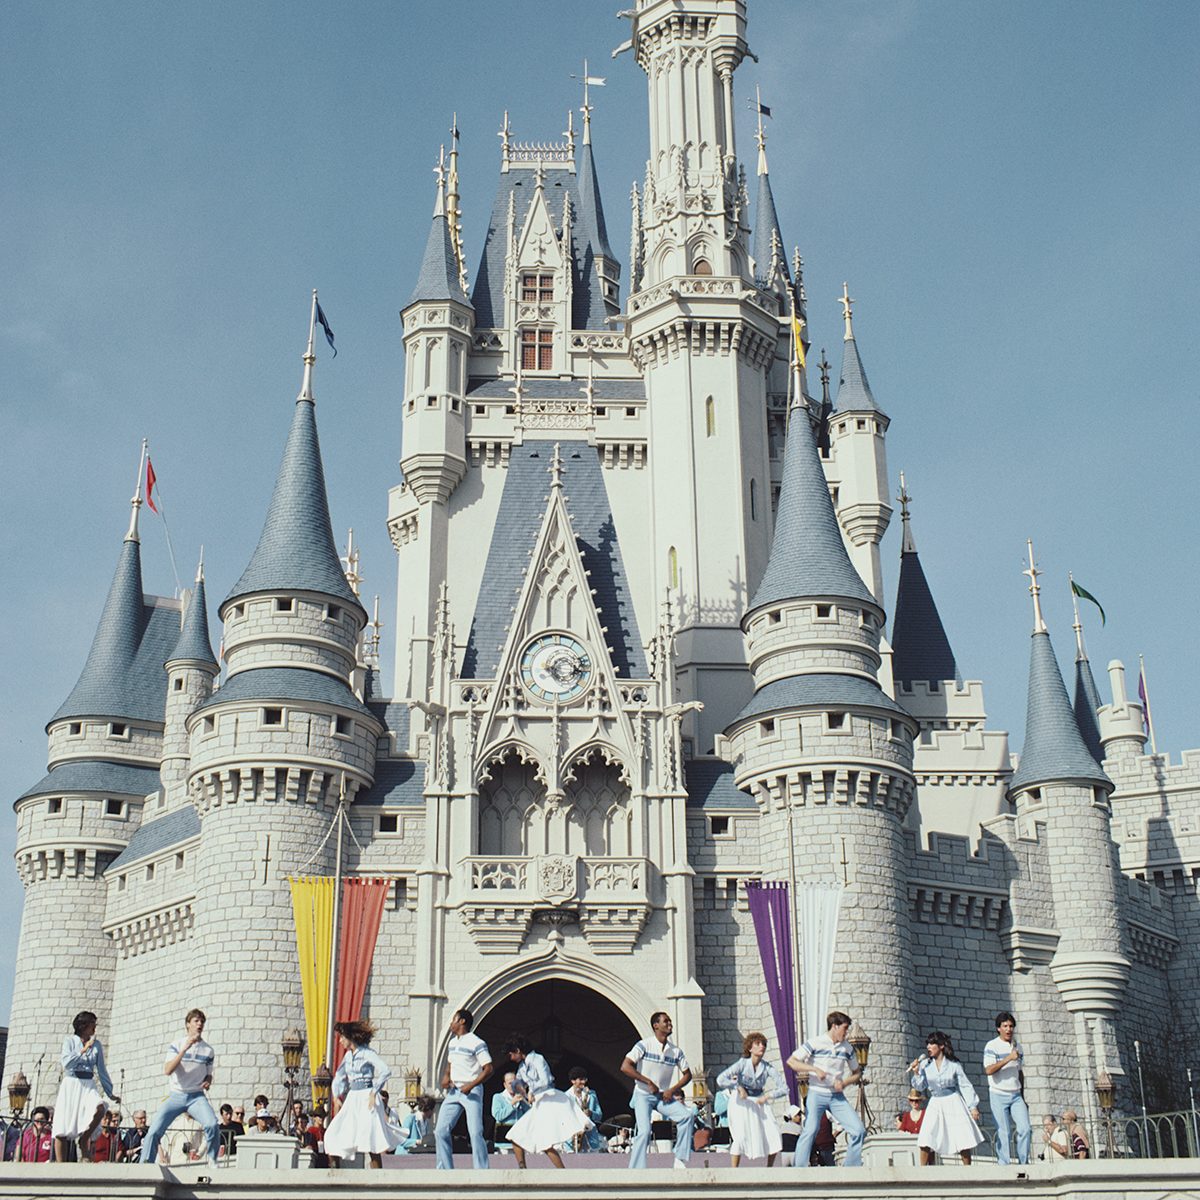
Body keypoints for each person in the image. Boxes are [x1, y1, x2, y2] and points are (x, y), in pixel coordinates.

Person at [140, 1008, 220, 1165]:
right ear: (188, 1024)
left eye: (202, 1021)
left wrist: (208, 1081)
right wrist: (184, 1049)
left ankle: (212, 1160)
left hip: (196, 1096)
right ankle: (145, 1164)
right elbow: (168, 1070)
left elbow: (209, 1074)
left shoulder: (208, 1050)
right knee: (154, 1131)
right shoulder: (176, 1045)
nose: (200, 1024)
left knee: (212, 1124)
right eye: (196, 1021)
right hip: (176, 1095)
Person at [786, 1011, 865, 1168]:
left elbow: (857, 1074)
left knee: (859, 1130)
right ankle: (799, 1170)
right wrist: (814, 1069)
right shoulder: (815, 1043)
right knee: (811, 1129)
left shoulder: (847, 1048)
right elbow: (792, 1061)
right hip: (817, 1093)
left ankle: (851, 1168)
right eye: (845, 1028)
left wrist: (844, 1082)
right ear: (834, 1026)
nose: (846, 1032)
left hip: (837, 1096)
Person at [620, 1010, 696, 1170]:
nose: (670, 1024)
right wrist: (647, 1081)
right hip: (643, 1095)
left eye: (670, 1021)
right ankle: (636, 1169)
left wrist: (672, 1089)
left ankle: (680, 1158)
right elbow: (625, 1067)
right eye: (666, 1021)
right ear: (656, 1025)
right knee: (645, 1131)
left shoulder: (676, 1051)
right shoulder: (644, 1045)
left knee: (687, 1116)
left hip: (663, 1097)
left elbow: (688, 1075)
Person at [503, 1035, 591, 1168]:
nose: (510, 1058)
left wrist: (531, 1091)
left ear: (517, 1050)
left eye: (511, 1054)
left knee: (544, 1142)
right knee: (515, 1136)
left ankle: (562, 1174)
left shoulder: (537, 1059)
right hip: (538, 1105)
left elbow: (545, 1080)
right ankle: (523, 1171)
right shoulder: (522, 1066)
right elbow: (518, 1081)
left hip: (548, 1101)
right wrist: (517, 1086)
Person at [323, 1019, 396, 1168]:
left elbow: (385, 1070)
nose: (341, 1041)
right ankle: (335, 1174)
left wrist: (374, 1091)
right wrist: (337, 1095)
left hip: (366, 1096)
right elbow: (339, 1075)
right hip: (353, 1097)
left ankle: (377, 1176)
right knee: (333, 1133)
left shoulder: (367, 1053)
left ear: (350, 1038)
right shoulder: (348, 1056)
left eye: (343, 1037)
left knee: (371, 1138)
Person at [52, 1009, 120, 1162]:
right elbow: (67, 1063)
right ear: (83, 1026)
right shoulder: (69, 1041)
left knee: (100, 1108)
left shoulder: (97, 1045)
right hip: (71, 1083)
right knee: (63, 1124)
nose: (95, 1028)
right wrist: (83, 1050)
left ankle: (84, 1140)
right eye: (92, 1024)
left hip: (88, 1084)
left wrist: (110, 1092)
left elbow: (102, 1070)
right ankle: (59, 1164)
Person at [909, 1031, 984, 1165]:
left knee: (962, 1136)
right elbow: (920, 1086)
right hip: (935, 1102)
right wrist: (916, 1073)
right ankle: (922, 1172)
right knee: (927, 1135)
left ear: (941, 1046)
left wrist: (973, 1106)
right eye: (928, 1044)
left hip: (953, 1100)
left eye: (932, 1044)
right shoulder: (926, 1064)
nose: (928, 1047)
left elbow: (965, 1085)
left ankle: (968, 1170)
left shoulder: (954, 1064)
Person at [716, 1031, 787, 1166]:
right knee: (741, 1136)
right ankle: (734, 1170)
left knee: (774, 1134)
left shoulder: (767, 1067)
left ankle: (769, 1168)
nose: (762, 1046)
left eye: (764, 1044)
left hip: (759, 1100)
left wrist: (768, 1095)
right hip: (741, 1102)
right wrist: (737, 1086)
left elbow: (784, 1089)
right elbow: (721, 1079)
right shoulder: (743, 1063)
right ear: (750, 1048)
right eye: (758, 1044)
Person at [435, 1008, 493, 1169]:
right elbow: (451, 1062)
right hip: (454, 1092)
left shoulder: (477, 1042)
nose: (451, 1024)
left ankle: (481, 1169)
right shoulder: (452, 1043)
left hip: (472, 1091)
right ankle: (445, 1169)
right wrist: (446, 1076)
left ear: (462, 1021)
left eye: (453, 1020)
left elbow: (488, 1068)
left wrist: (471, 1085)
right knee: (440, 1130)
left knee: (475, 1132)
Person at [983, 1011, 1031, 1164]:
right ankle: (1004, 1164)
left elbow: (1019, 1072)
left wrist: (1022, 1096)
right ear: (999, 1028)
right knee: (1004, 1132)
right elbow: (989, 1070)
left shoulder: (1018, 1047)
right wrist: (1008, 1058)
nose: (1009, 1029)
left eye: (1011, 1026)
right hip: (998, 1093)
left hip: (1016, 1094)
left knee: (1025, 1129)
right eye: (1005, 1026)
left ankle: (1024, 1163)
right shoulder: (992, 1045)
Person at [565, 1067, 605, 1152]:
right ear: (573, 1081)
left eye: (585, 1079)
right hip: (573, 1138)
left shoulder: (592, 1094)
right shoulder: (566, 1096)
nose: (584, 1082)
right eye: (581, 1079)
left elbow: (599, 1115)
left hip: (590, 1139)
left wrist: (591, 1113)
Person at [491, 1071, 530, 1152]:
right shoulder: (498, 1097)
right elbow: (498, 1115)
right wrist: (512, 1104)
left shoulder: (520, 1097)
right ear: (505, 1085)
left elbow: (530, 1115)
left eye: (515, 1083)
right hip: (504, 1141)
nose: (513, 1086)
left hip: (520, 1141)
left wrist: (524, 1100)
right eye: (510, 1083)